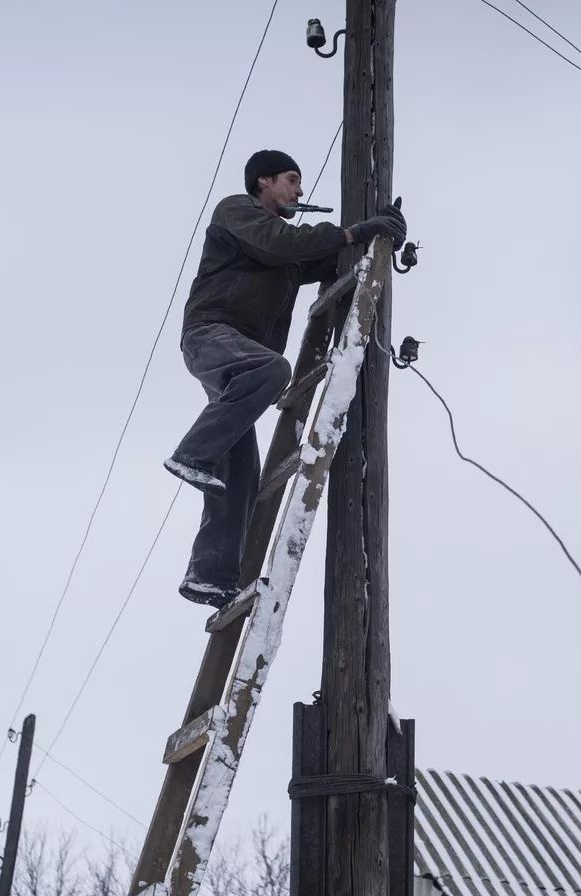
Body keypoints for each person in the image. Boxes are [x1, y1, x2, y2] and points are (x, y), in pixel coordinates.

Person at [164, 149, 405, 607]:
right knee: (272, 370)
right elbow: (282, 244)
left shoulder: (283, 248)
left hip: (242, 358)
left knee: (241, 467)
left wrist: (380, 237)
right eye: (291, 180)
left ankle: (209, 575)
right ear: (263, 182)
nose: (298, 190)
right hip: (212, 334)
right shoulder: (238, 212)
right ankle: (192, 454)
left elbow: (320, 258)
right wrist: (354, 229)